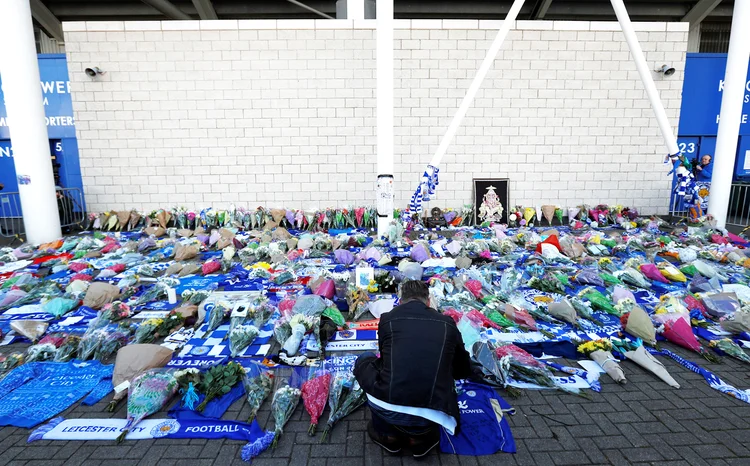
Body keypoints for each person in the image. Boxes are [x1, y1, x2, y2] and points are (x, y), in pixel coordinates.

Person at [353, 280, 475, 458]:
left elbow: (385, 360)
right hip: (434, 410)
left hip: (389, 402)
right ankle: (419, 440)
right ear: (428, 301)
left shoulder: (388, 318)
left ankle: (388, 436)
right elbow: (463, 370)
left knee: (364, 359)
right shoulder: (447, 323)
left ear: (401, 301)